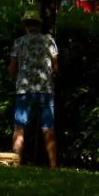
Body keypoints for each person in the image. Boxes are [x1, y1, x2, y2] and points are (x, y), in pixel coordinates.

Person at [8, 11, 59, 168]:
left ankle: (16, 163)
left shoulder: (19, 42)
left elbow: (12, 69)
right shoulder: (49, 41)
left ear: (25, 25)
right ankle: (53, 166)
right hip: (46, 89)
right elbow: (56, 68)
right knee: (48, 129)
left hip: (24, 90)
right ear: (39, 24)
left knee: (19, 128)